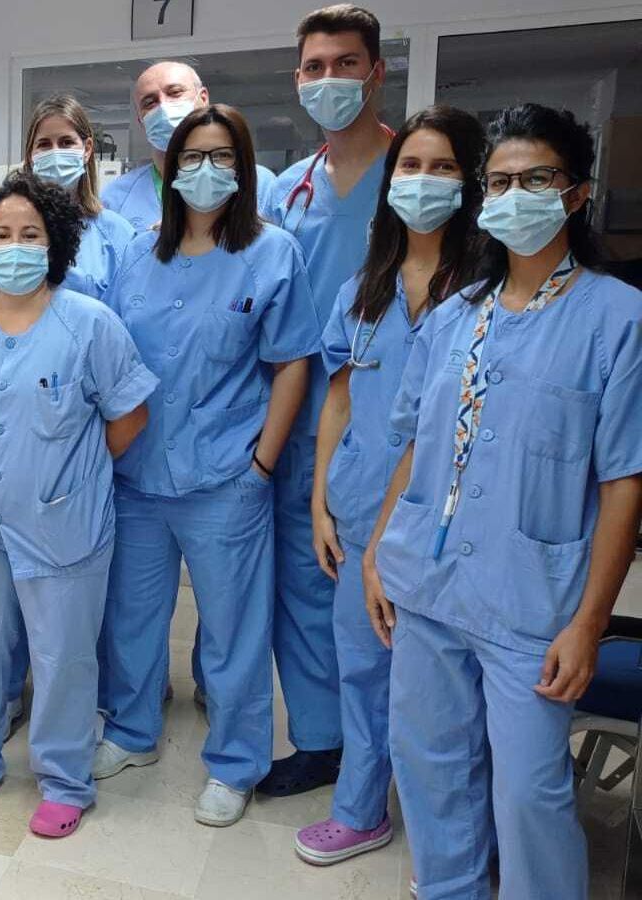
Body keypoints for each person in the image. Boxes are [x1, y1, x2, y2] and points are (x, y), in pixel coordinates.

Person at [371, 102, 642, 900]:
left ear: (576, 193)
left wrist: (589, 623)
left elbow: (624, 479)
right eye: (498, 182)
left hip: (533, 604)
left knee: (528, 793)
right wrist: (379, 553)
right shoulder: (455, 316)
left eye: (536, 179)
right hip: (427, 584)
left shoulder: (617, 318)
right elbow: (415, 444)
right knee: (429, 766)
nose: (513, 195)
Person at [99, 104, 318, 828]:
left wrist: (261, 467)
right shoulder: (138, 253)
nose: (205, 171)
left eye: (222, 157)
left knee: (232, 631)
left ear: (245, 168)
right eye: (191, 157)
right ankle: (132, 731)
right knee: (133, 620)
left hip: (227, 475)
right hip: (138, 476)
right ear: (169, 170)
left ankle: (235, 761)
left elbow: (292, 363)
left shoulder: (272, 252)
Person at [0, 172, 155, 838]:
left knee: (63, 656)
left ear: (55, 244)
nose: (15, 246)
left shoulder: (89, 323)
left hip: (62, 521)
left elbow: (130, 416)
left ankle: (64, 778)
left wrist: (70, 474)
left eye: (30, 234)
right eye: (2, 235)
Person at [294, 106, 485, 867]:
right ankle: (361, 809)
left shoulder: (485, 292)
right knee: (363, 668)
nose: (422, 181)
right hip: (358, 504)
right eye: (410, 166)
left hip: (445, 523)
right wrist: (320, 500)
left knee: (445, 691)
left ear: (469, 184)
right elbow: (339, 397)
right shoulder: (364, 289)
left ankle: (460, 843)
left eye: (443, 168)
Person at [257, 4, 394, 797]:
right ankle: (321, 741)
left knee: (380, 595)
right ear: (298, 79)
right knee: (304, 590)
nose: (330, 79)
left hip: (387, 422)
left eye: (346, 63)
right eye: (315, 67)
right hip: (303, 417)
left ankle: (386, 755)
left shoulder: (414, 176)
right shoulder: (288, 191)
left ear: (377, 73)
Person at [103, 61, 279, 232]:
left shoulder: (259, 183)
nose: (163, 107)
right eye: (150, 102)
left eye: (175, 93)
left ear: (203, 98)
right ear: (140, 120)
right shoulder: (116, 197)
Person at [23, 94, 136, 300]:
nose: (55, 153)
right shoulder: (7, 229)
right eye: (44, 144)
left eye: (66, 142)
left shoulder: (116, 233)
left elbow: (132, 303)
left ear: (87, 149)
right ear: (31, 155)